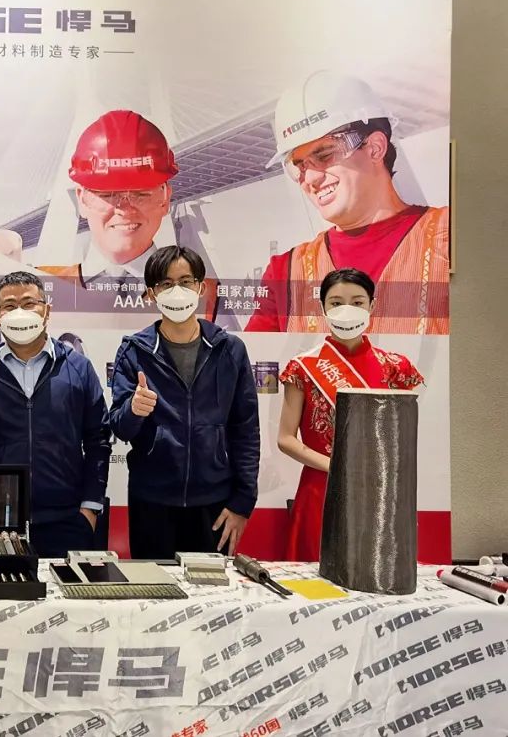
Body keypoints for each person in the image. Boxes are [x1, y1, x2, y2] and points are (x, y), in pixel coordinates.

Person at [246, 71, 449, 335]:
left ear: (375, 148)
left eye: (325, 155)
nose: (311, 178)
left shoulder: (453, 237)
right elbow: (250, 358)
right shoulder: (285, 273)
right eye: (300, 166)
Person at [110, 246, 259, 558]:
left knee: (210, 588)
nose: (176, 291)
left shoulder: (229, 350)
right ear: (151, 293)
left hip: (214, 501)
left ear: (201, 287)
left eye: (185, 281)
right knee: (155, 586)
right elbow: (120, 427)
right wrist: (134, 410)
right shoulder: (134, 352)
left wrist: (243, 502)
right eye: (166, 283)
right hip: (152, 502)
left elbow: (245, 431)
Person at [0, 271, 110, 558]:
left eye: (29, 303)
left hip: (66, 519)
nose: (20, 313)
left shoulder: (78, 367)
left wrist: (90, 507)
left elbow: (98, 439)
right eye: (9, 306)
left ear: (47, 310)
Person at [278, 268, 423, 561]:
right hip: (321, 489)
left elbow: (402, 441)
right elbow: (286, 439)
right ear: (323, 308)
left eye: (357, 302)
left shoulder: (396, 367)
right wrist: (337, 466)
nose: (347, 310)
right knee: (316, 578)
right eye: (336, 303)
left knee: (378, 572)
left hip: (379, 491)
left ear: (372, 305)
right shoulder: (303, 367)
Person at [38, 110, 179, 286]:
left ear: (165, 199)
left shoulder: (206, 298)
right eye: (107, 195)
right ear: (82, 201)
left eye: (141, 194)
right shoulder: (41, 292)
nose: (125, 210)